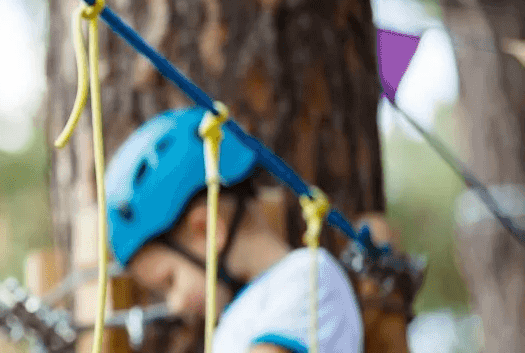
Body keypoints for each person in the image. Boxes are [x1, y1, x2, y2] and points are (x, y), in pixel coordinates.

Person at [105, 108, 364, 353]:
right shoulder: (241, 315)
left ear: (207, 230)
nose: (174, 305)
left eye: (169, 281)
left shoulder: (307, 277)